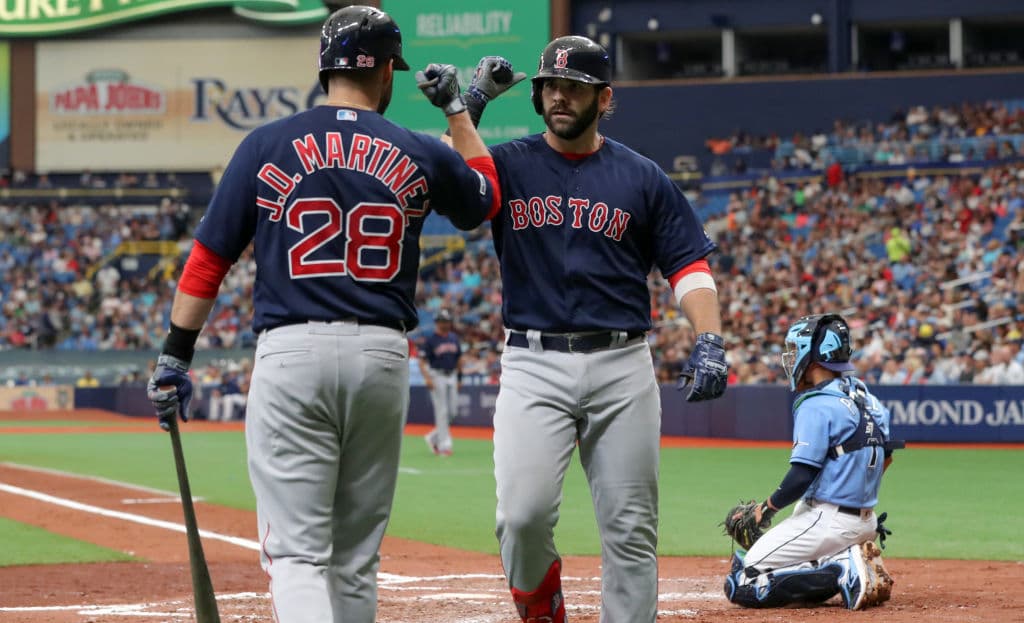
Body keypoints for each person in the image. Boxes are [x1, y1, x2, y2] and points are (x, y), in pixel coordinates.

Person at [145, 6, 501, 623]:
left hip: (293, 351)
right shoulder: (415, 148)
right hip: (382, 357)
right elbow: (483, 198)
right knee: (357, 558)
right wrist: (459, 109)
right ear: (388, 70)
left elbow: (207, 261)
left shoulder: (266, 143)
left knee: (298, 556)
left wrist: (176, 352)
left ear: (323, 67)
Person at [470, 38, 728, 622]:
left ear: (604, 98)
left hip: (621, 365)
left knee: (631, 530)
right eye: (550, 86)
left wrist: (710, 337)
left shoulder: (641, 177)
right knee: (521, 516)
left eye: (575, 87)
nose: (559, 96)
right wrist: (471, 106)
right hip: (533, 361)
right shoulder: (508, 164)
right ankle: (540, 601)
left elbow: (687, 265)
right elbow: (449, 184)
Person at [724, 313, 901, 610]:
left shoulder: (815, 403)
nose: (791, 358)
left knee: (745, 580)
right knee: (800, 563)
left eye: (796, 350)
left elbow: (802, 475)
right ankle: (841, 558)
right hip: (865, 521)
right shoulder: (866, 397)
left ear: (814, 355)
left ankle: (843, 570)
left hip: (828, 520)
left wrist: (764, 510)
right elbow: (887, 457)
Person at [418, 309, 462, 456]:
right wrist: (427, 378)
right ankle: (444, 446)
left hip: (452, 375)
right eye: (443, 321)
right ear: (437, 322)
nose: (446, 323)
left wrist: (460, 378)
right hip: (437, 375)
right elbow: (422, 361)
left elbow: (459, 358)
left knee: (453, 412)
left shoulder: (454, 338)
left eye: (448, 320)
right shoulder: (431, 340)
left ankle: (433, 437)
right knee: (442, 411)